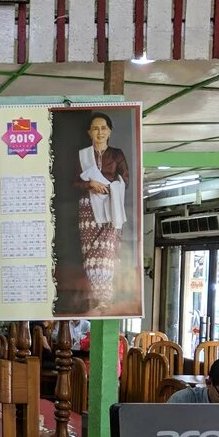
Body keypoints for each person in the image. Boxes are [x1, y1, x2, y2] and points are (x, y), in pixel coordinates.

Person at [75, 112, 129, 312]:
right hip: (88, 208)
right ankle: (95, 300)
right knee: (90, 255)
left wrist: (107, 187)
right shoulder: (82, 155)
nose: (99, 132)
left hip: (110, 209)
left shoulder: (117, 154)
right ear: (89, 133)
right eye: (95, 128)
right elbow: (74, 182)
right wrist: (91, 184)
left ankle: (105, 298)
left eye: (103, 128)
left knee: (106, 253)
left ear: (110, 131)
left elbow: (125, 180)